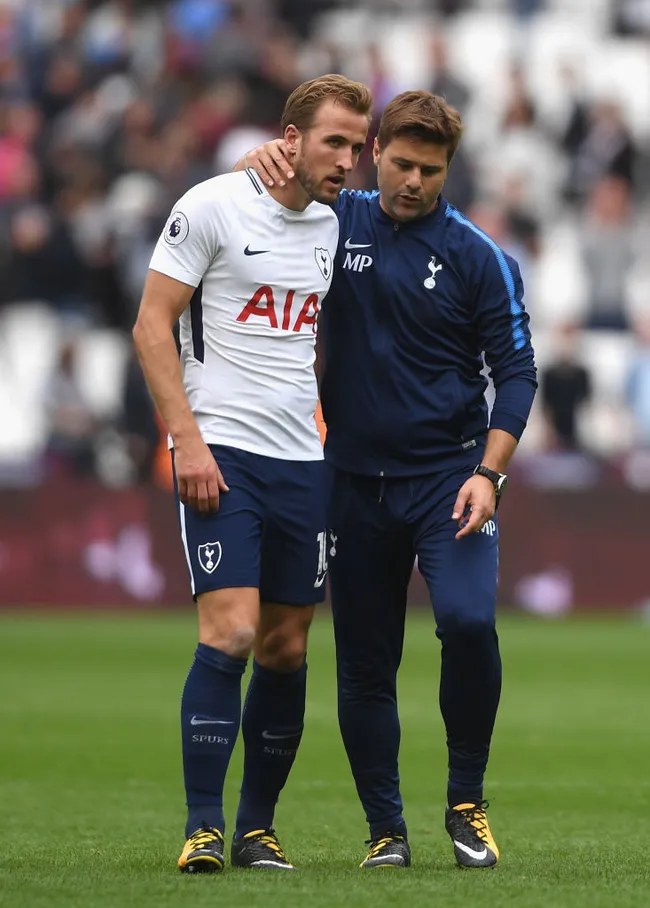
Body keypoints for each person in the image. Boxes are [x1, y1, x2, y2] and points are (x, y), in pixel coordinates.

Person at [240, 89, 537, 869]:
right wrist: (256, 162)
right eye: (401, 163)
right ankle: (386, 832)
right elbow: (260, 202)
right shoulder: (334, 223)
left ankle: (467, 804)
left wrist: (489, 475)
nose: (413, 181)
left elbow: (517, 374)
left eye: (430, 170)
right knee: (366, 664)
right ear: (374, 154)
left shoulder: (479, 256)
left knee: (469, 624)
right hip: (349, 484)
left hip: (449, 482)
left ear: (448, 170)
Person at [132, 74, 372, 874]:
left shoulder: (334, 229)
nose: (347, 159)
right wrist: (186, 442)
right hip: (221, 452)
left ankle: (257, 829)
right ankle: (202, 827)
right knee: (229, 631)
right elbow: (150, 326)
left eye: (356, 146)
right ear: (290, 138)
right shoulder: (210, 206)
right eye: (333, 141)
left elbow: (306, 342)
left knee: (286, 648)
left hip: (303, 461)